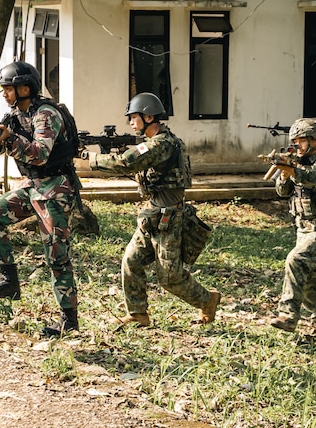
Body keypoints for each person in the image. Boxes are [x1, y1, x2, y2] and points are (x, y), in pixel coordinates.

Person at [84, 92, 219, 327]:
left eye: (134, 117)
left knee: (170, 278)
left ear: (148, 116)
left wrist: (90, 157)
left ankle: (208, 300)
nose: (131, 122)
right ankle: (138, 314)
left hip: (169, 219)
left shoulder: (162, 144)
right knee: (131, 261)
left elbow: (126, 162)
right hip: (152, 216)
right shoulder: (156, 144)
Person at [0, 61, 82, 337]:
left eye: (8, 89)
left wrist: (11, 140)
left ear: (25, 88)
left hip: (56, 189)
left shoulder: (45, 115)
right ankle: (9, 281)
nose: (5, 94)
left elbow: (39, 154)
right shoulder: (16, 114)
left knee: (57, 256)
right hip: (33, 185)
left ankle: (68, 321)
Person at [266, 118, 316, 337]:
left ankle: (288, 315)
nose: (297, 146)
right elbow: (282, 193)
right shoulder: (298, 160)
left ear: (315, 140)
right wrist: (284, 173)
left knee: (296, 260)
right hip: (304, 228)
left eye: (301, 141)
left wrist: (293, 170)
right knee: (309, 282)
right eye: (295, 141)